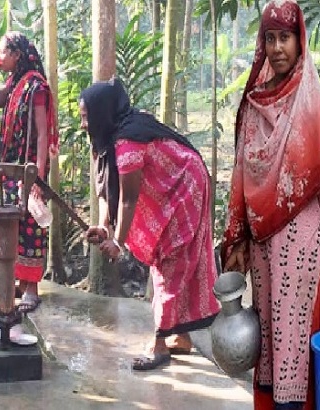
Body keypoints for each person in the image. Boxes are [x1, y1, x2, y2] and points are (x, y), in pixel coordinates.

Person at [221, 1, 320, 409]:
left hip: (306, 254)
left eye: (285, 37)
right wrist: (237, 238)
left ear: (300, 42)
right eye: (270, 38)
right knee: (270, 343)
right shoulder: (254, 105)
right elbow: (241, 177)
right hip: (263, 254)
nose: (278, 47)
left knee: (300, 344)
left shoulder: (314, 105)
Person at [81, 78, 221, 371]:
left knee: (170, 262)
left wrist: (117, 242)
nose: (83, 124)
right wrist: (104, 227)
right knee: (171, 261)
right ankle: (180, 336)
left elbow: (129, 199)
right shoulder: (107, 139)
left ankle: (160, 345)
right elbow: (108, 187)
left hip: (185, 187)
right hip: (169, 188)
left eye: (86, 117)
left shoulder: (128, 142)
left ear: (101, 114)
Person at [0, 31, 59, 312]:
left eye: (3, 52)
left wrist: (37, 176)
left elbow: (42, 135)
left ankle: (32, 288)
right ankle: (18, 280)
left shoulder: (36, 87)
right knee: (13, 222)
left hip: (29, 167)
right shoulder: (15, 82)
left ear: (17, 55)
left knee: (31, 224)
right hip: (10, 167)